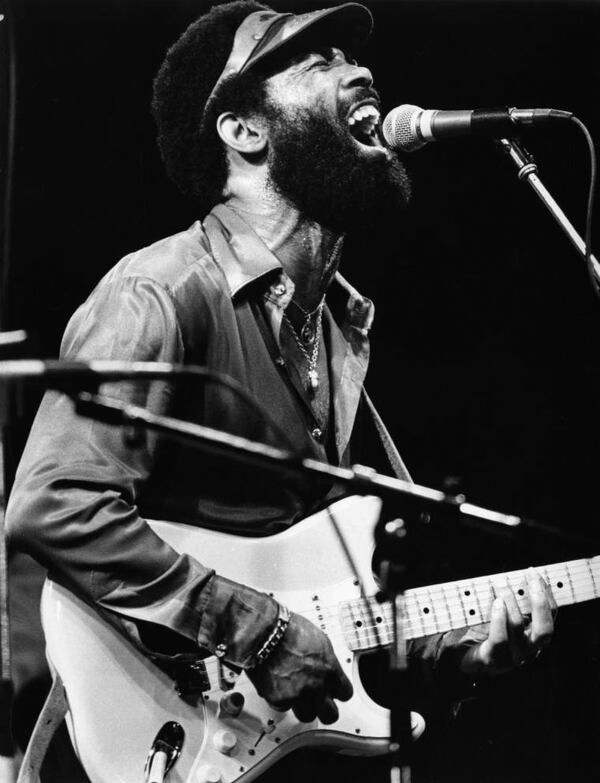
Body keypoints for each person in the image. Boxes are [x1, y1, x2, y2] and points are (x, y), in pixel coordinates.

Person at [5, 1, 555, 780]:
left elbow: (331, 618)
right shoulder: (160, 290)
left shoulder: (339, 330)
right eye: (318, 61)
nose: (361, 70)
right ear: (244, 130)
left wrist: (458, 657)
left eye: (350, 58)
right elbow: (53, 502)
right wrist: (258, 635)